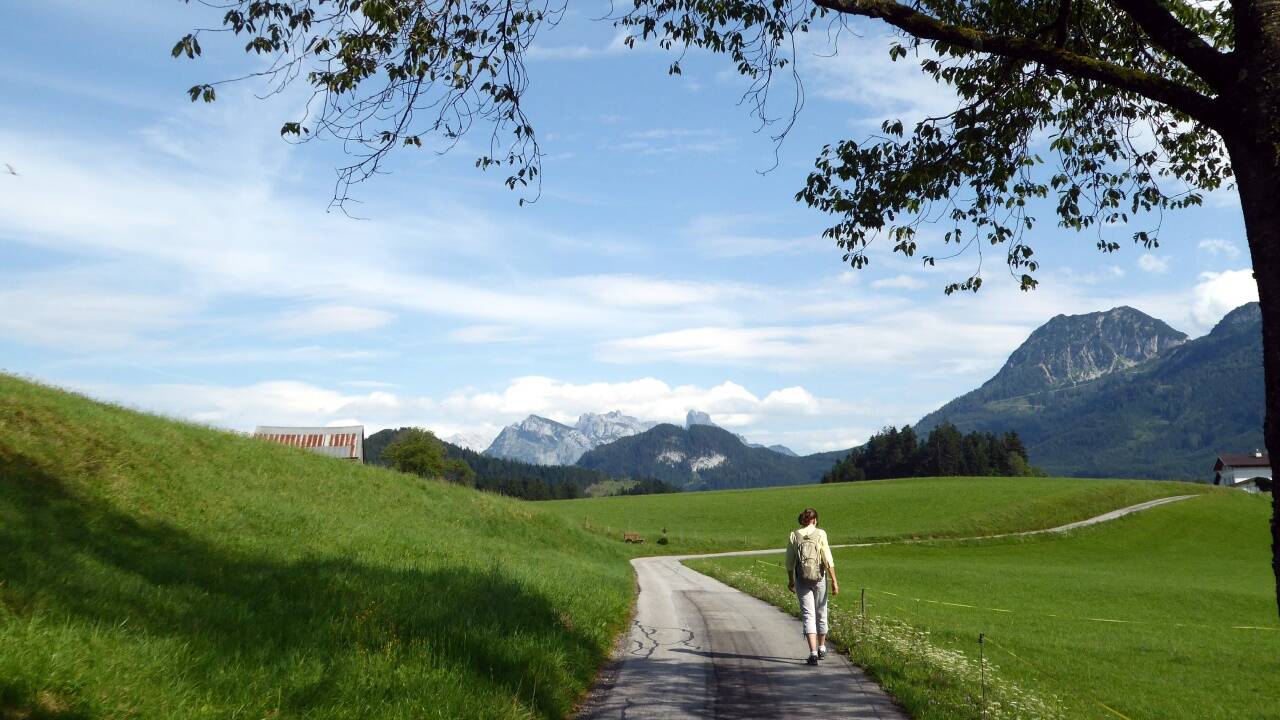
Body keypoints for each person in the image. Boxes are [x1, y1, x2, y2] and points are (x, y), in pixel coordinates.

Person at [786, 507, 839, 665]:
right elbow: (827, 559)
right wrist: (834, 581)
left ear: (803, 520)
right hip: (819, 577)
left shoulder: (794, 535)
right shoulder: (821, 533)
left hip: (802, 579)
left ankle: (813, 653)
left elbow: (789, 562)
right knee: (821, 612)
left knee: (808, 615)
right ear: (815, 520)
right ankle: (822, 647)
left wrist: (791, 580)